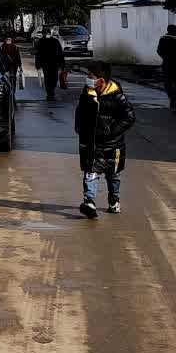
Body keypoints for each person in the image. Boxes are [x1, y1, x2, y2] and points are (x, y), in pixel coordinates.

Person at [74, 61, 135, 218]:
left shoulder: (117, 96)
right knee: (90, 172)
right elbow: (80, 111)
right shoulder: (87, 93)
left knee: (113, 175)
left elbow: (129, 117)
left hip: (112, 145)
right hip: (91, 143)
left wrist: (111, 131)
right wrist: (79, 127)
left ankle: (114, 201)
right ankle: (89, 202)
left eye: (90, 76)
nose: (88, 79)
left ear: (101, 80)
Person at [35, 26, 65, 101]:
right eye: (46, 33)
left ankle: (51, 91)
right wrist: (38, 65)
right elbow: (38, 54)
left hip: (54, 63)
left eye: (48, 33)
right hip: (46, 64)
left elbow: (60, 53)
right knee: (48, 78)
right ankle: (50, 93)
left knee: (54, 78)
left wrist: (62, 64)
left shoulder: (55, 41)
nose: (47, 35)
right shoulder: (41, 42)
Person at [157, 23, 176, 110]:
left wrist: (165, 57)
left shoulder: (163, 39)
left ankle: (172, 98)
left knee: (168, 83)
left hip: (167, 64)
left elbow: (159, 51)